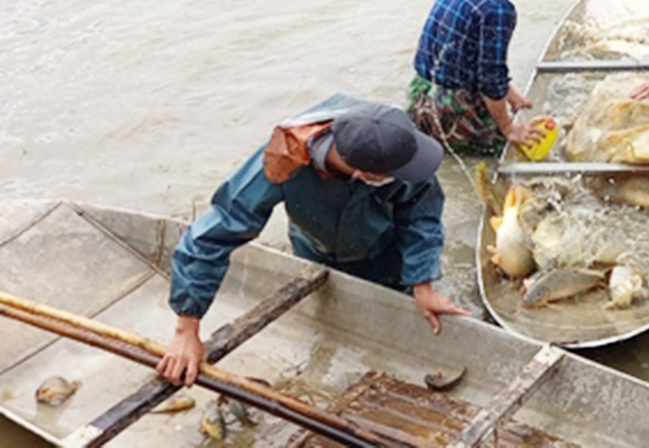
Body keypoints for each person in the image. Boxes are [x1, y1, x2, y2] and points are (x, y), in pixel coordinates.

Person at [157, 96, 469, 387]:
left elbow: (422, 217)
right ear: (363, 173)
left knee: (393, 311)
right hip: (316, 244)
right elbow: (216, 231)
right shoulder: (285, 158)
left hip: (384, 249)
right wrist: (187, 327)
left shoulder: (397, 146)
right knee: (327, 312)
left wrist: (422, 283)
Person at [409, 0, 546, 156]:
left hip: (421, 96)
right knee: (507, 150)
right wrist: (509, 129)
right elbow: (490, 80)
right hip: (451, 110)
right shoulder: (498, 8)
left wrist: (510, 94)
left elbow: (469, 54)